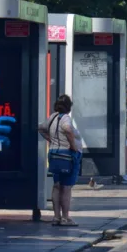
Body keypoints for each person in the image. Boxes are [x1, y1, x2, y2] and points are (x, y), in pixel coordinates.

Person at [38, 95, 86, 226]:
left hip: (54, 153)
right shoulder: (66, 119)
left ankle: (56, 217)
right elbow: (68, 129)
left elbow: (41, 128)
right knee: (66, 187)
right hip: (67, 155)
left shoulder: (53, 117)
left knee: (57, 185)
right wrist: (73, 146)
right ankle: (65, 218)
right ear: (69, 107)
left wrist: (51, 139)